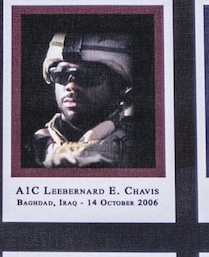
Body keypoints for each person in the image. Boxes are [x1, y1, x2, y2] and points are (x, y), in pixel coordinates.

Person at [28, 32, 139, 168]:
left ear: (119, 86)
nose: (71, 86)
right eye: (61, 74)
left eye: (88, 76)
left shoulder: (139, 144)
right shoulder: (29, 142)